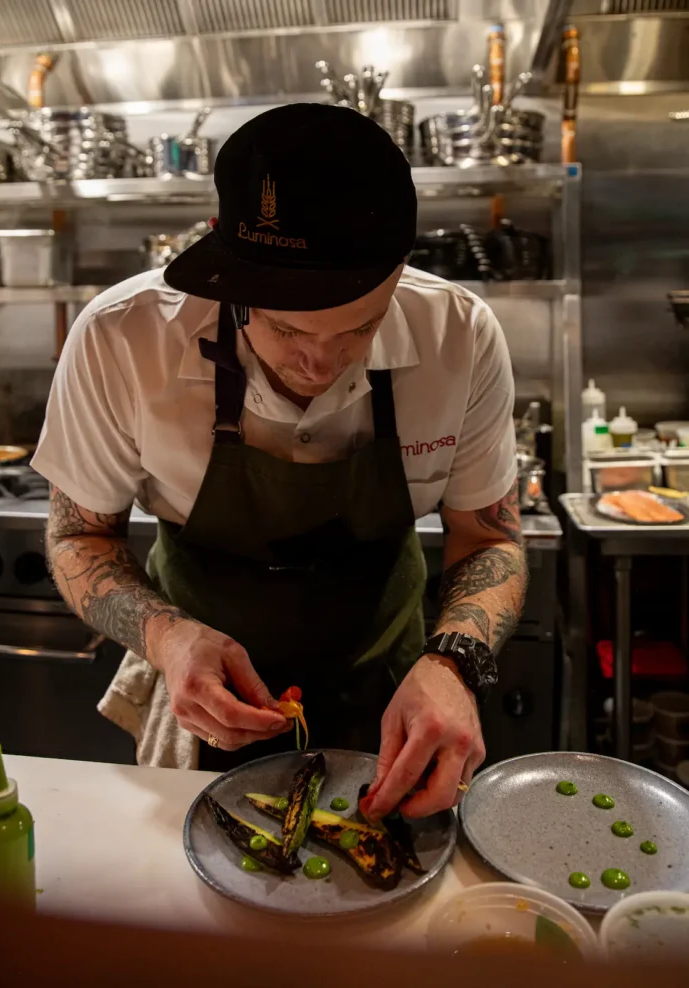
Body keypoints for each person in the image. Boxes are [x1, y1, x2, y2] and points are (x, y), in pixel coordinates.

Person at [32, 103, 527, 821]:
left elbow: (490, 538)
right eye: (287, 327)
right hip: (198, 693)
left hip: (395, 687)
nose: (320, 362)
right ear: (227, 278)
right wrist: (168, 640)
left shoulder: (459, 335)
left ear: (400, 272)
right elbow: (78, 537)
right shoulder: (124, 339)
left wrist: (453, 664)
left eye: (362, 324)